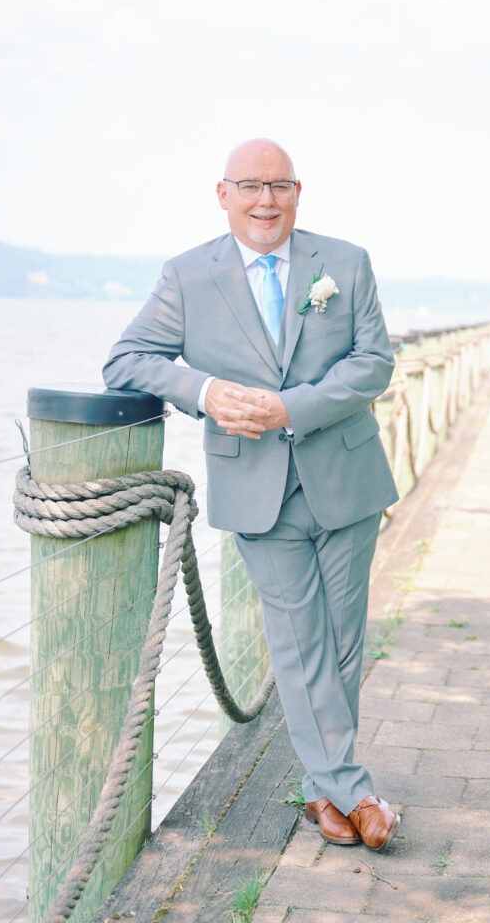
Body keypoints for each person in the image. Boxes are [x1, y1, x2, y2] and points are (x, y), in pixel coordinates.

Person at [103, 139, 400, 850]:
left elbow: (374, 363)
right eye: (250, 187)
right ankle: (355, 793)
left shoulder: (345, 263)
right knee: (298, 644)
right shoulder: (187, 276)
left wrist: (288, 407)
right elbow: (126, 359)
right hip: (256, 488)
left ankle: (323, 793)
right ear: (223, 194)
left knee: (344, 644)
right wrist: (203, 392)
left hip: (345, 478)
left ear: (298, 192)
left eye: (279, 186)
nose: (265, 201)